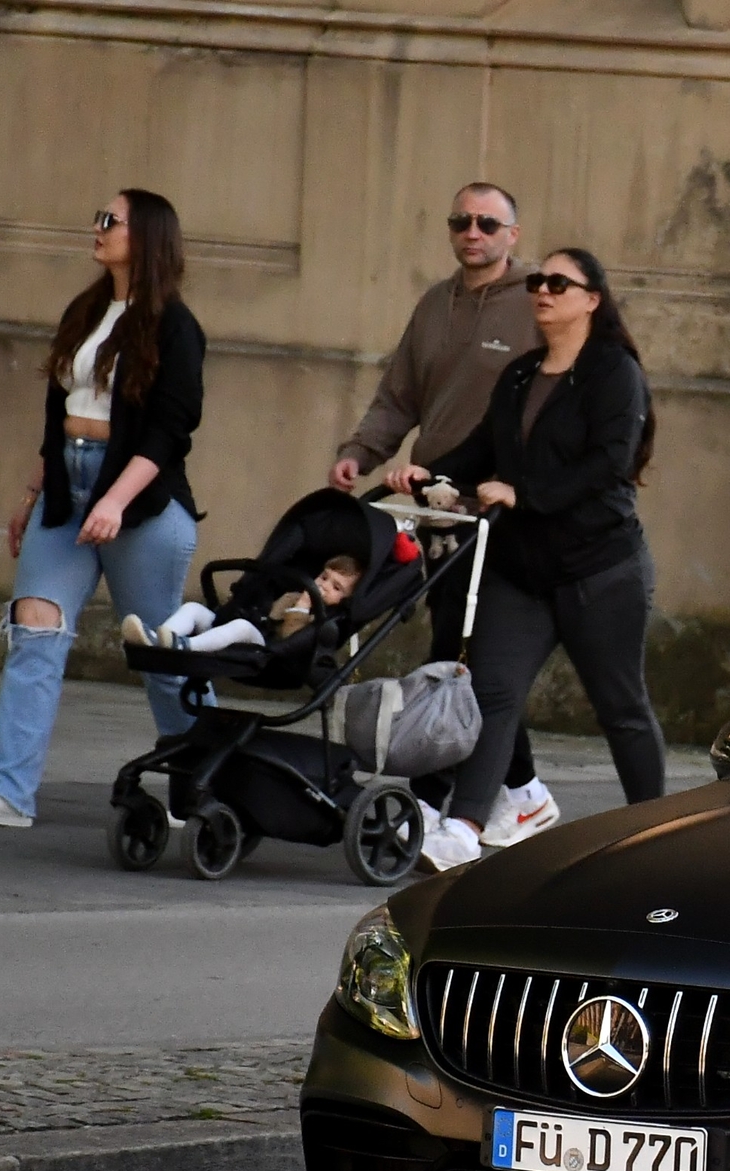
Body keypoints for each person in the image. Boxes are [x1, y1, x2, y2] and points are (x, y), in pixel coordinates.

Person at [391, 249, 666, 870]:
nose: (541, 291)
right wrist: (427, 472)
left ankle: (654, 834)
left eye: (558, 283)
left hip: (599, 568)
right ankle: (463, 826)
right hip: (522, 568)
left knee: (621, 708)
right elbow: (481, 450)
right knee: (492, 692)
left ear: (591, 298)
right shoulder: (519, 376)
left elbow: (609, 463)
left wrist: (525, 494)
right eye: (537, 282)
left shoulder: (613, 372)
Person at [0, 191, 205, 830]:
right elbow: (56, 416)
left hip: (138, 503)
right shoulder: (87, 310)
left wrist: (114, 502)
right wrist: (33, 493)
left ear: (145, 236)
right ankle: (4, 792)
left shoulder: (174, 324)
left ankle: (204, 782)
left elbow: (170, 432)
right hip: (68, 489)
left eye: (111, 220)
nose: (98, 228)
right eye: (99, 217)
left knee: (160, 653)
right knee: (35, 627)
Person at [331, 182, 556, 846]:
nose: (473, 232)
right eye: (462, 221)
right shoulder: (435, 305)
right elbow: (398, 394)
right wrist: (360, 451)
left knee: (471, 657)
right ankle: (523, 792)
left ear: (513, 234)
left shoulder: (533, 307)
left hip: (500, 510)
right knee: (462, 653)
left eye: (489, 222)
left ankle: (451, 798)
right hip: (438, 508)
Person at [120, 555, 359, 652]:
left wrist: (303, 607)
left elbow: (288, 639)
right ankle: (156, 638)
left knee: (241, 627)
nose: (325, 585)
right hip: (253, 633)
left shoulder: (323, 620)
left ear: (346, 599)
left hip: (270, 652)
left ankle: (185, 646)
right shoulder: (292, 596)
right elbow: (269, 617)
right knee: (194, 608)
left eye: (336, 587)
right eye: (324, 577)